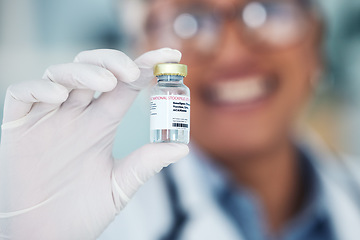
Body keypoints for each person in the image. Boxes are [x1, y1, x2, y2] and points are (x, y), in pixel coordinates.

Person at [0, 0, 360, 240]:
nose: (234, 51)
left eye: (266, 9)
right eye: (190, 21)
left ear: (317, 43)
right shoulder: (105, 227)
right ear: (143, 51)